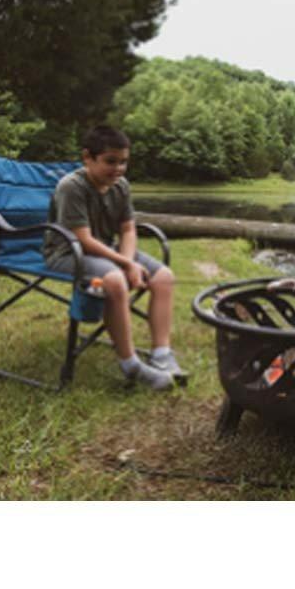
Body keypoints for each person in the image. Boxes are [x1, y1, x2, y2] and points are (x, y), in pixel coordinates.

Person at [43, 124, 187, 391]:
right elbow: (84, 240)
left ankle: (161, 354)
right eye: (110, 161)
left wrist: (129, 261)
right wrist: (126, 265)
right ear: (88, 157)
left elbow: (128, 229)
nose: (118, 169)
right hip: (69, 253)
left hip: (108, 251)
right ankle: (130, 364)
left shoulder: (120, 186)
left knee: (164, 277)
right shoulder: (71, 187)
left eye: (123, 162)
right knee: (115, 280)